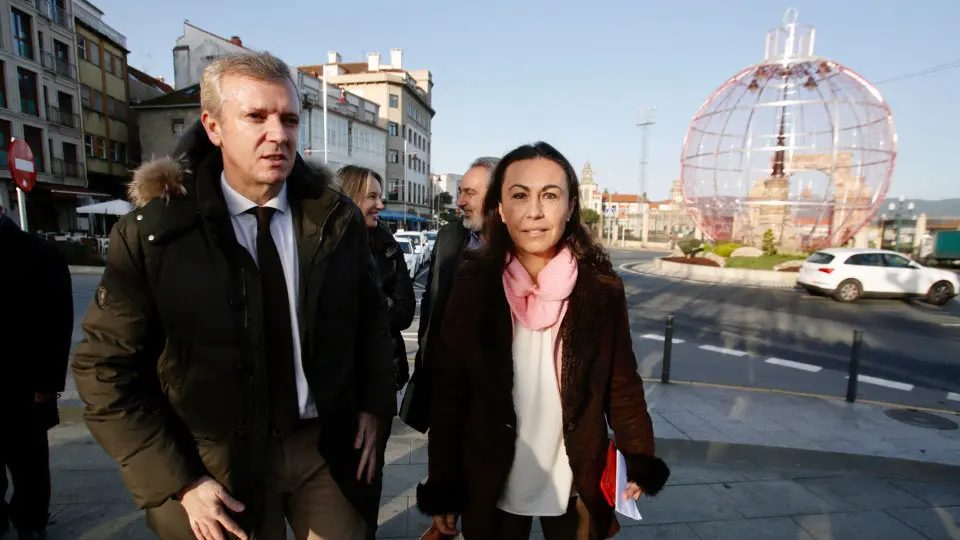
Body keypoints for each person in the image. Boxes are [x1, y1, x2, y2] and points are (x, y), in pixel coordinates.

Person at [72, 52, 395, 540]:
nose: (278, 134)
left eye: (289, 119)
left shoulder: (335, 220)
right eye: (256, 117)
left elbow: (370, 320)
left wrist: (374, 404)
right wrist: (180, 480)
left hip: (324, 448)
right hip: (217, 463)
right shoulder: (157, 234)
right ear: (213, 126)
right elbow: (105, 370)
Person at [416, 142, 669, 539]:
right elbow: (450, 395)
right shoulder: (472, 284)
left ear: (570, 207)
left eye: (550, 196)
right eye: (519, 196)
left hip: (575, 478)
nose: (534, 212)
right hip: (492, 480)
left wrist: (638, 456)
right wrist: (443, 484)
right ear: (501, 208)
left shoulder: (600, 289)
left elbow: (622, 385)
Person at [399, 156, 500, 434]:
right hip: (445, 394)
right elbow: (430, 306)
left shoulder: (523, 248)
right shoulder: (448, 237)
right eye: (460, 192)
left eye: (469, 193)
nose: (460, 202)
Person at [0, 207, 73, 540]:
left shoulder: (37, 253)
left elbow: (57, 323)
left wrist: (47, 383)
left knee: (28, 462)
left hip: (23, 384)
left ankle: (31, 522)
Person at [336, 165, 415, 393]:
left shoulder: (388, 246)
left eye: (379, 197)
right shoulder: (323, 247)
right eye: (372, 196)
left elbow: (405, 312)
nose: (380, 205)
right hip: (337, 380)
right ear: (349, 197)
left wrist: (372, 303)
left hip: (383, 375)